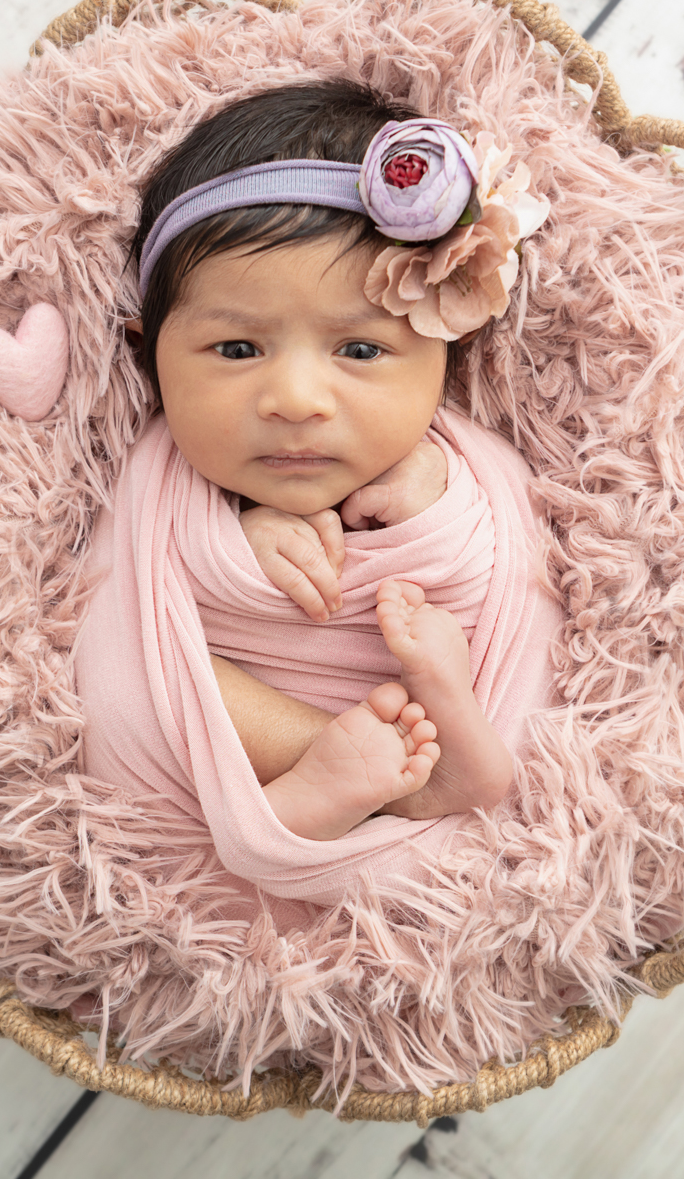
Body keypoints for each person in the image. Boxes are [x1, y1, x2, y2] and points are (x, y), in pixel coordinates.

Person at [76, 78, 558, 865]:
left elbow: (505, 569)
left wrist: (432, 500)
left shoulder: (461, 468)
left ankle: (344, 795)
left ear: (446, 351)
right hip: (189, 802)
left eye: (361, 351)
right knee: (131, 683)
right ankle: (358, 780)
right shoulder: (154, 478)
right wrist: (233, 536)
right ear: (148, 349)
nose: (295, 400)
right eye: (236, 350)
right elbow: (119, 616)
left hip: (447, 765)